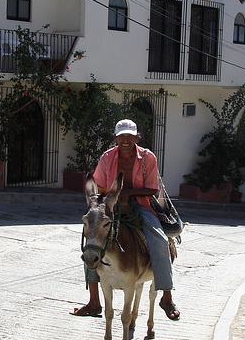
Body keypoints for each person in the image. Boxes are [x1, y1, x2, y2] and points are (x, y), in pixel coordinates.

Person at [72, 118, 180, 320]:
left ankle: (166, 295)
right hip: (112, 205)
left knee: (160, 241)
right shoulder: (107, 157)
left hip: (140, 205)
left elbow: (153, 188)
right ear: (115, 138)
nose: (126, 141)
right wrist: (110, 196)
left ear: (136, 137)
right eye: (122, 137)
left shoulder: (147, 157)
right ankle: (94, 302)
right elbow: (100, 185)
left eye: (130, 137)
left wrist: (128, 193)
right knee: (92, 243)